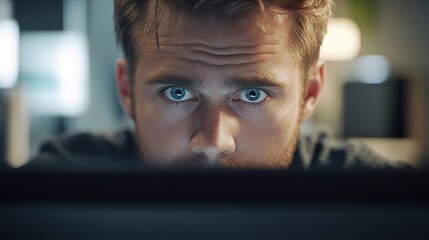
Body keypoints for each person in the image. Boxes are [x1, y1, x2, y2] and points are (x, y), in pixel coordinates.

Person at [29, 0, 407, 169]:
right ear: (127, 90)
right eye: (177, 93)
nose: (212, 141)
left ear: (309, 93)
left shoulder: (384, 204)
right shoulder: (54, 192)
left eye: (253, 94)